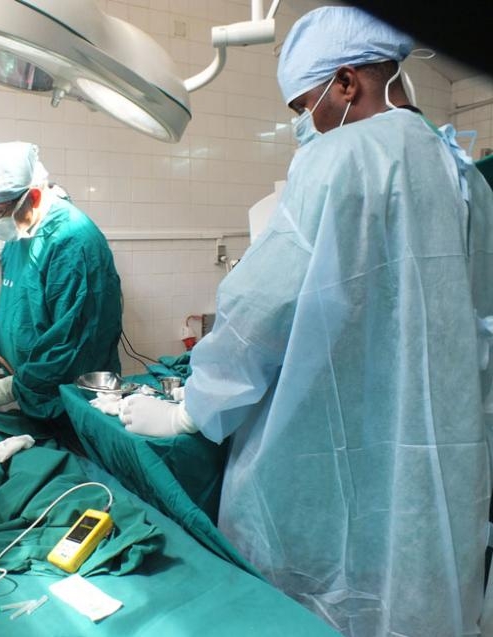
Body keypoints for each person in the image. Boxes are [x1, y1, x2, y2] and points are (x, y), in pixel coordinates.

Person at [119, 7, 493, 636]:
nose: (303, 124)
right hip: (443, 455)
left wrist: (193, 408)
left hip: (322, 452)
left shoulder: (342, 157)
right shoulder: (459, 171)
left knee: (322, 598)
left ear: (347, 83)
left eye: (302, 106)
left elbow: (261, 309)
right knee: (417, 589)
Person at [0, 141, 122, 426]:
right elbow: (25, 310)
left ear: (34, 197)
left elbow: (71, 350)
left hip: (68, 405)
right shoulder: (19, 233)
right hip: (31, 393)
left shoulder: (75, 244)